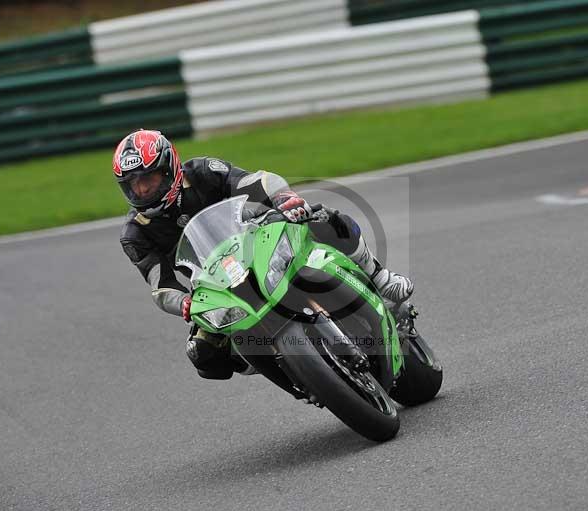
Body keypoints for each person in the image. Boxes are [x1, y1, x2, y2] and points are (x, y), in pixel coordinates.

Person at [115, 129, 413, 379]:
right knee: (203, 356)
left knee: (324, 219)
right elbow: (160, 285)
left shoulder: (204, 171)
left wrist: (284, 199)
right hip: (215, 284)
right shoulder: (135, 233)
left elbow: (256, 181)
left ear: (169, 168)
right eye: (133, 185)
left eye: (148, 179)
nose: (142, 190)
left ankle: (379, 276)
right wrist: (184, 302)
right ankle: (292, 371)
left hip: (259, 241)